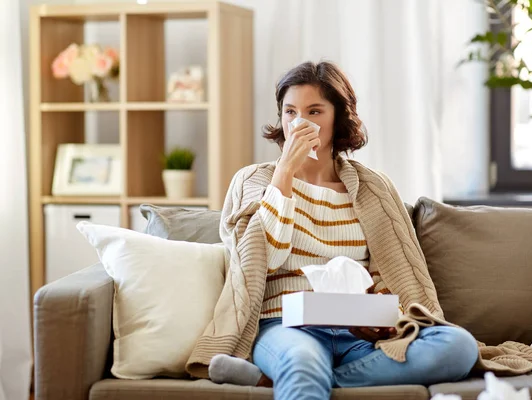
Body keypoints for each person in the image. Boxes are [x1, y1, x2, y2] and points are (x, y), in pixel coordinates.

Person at [204, 61, 479, 399]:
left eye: (314, 111)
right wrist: (286, 172)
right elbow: (268, 256)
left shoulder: (372, 187)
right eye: (290, 112)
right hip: (285, 327)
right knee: (302, 361)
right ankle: (294, 372)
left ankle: (272, 379)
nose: (299, 123)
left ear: (338, 118)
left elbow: (388, 276)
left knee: (457, 347)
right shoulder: (254, 181)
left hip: (357, 335)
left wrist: (382, 317)